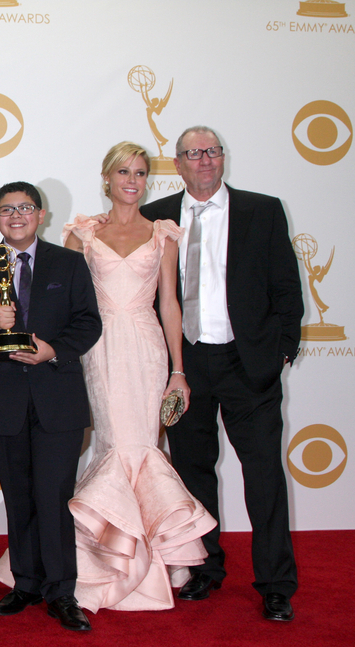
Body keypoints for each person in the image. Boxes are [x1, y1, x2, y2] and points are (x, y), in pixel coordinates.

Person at [140, 126, 303, 622]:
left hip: (248, 364)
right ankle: (206, 569)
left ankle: (276, 583)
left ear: (222, 158)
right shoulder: (154, 217)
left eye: (212, 151)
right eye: (194, 153)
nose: (205, 160)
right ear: (179, 163)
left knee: (265, 477)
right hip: (184, 367)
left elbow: (286, 289)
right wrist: (166, 366)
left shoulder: (263, 210)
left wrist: (280, 352)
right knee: (192, 474)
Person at [59, 141, 217, 612]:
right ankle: (104, 557)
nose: (133, 180)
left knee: (143, 446)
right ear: (106, 178)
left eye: (141, 173)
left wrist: (178, 369)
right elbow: (64, 299)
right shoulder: (82, 233)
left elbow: (169, 304)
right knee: (114, 444)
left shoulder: (163, 233)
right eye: (124, 172)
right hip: (99, 348)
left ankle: (143, 558)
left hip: (147, 350)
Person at [0, 182, 101, 632]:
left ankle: (62, 591)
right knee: (17, 497)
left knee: (55, 497)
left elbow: (89, 323)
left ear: (40, 215)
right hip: (2, 400)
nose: (15, 215)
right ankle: (26, 584)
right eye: (6, 209)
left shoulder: (70, 263)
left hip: (57, 398)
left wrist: (51, 350)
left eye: (24, 208)